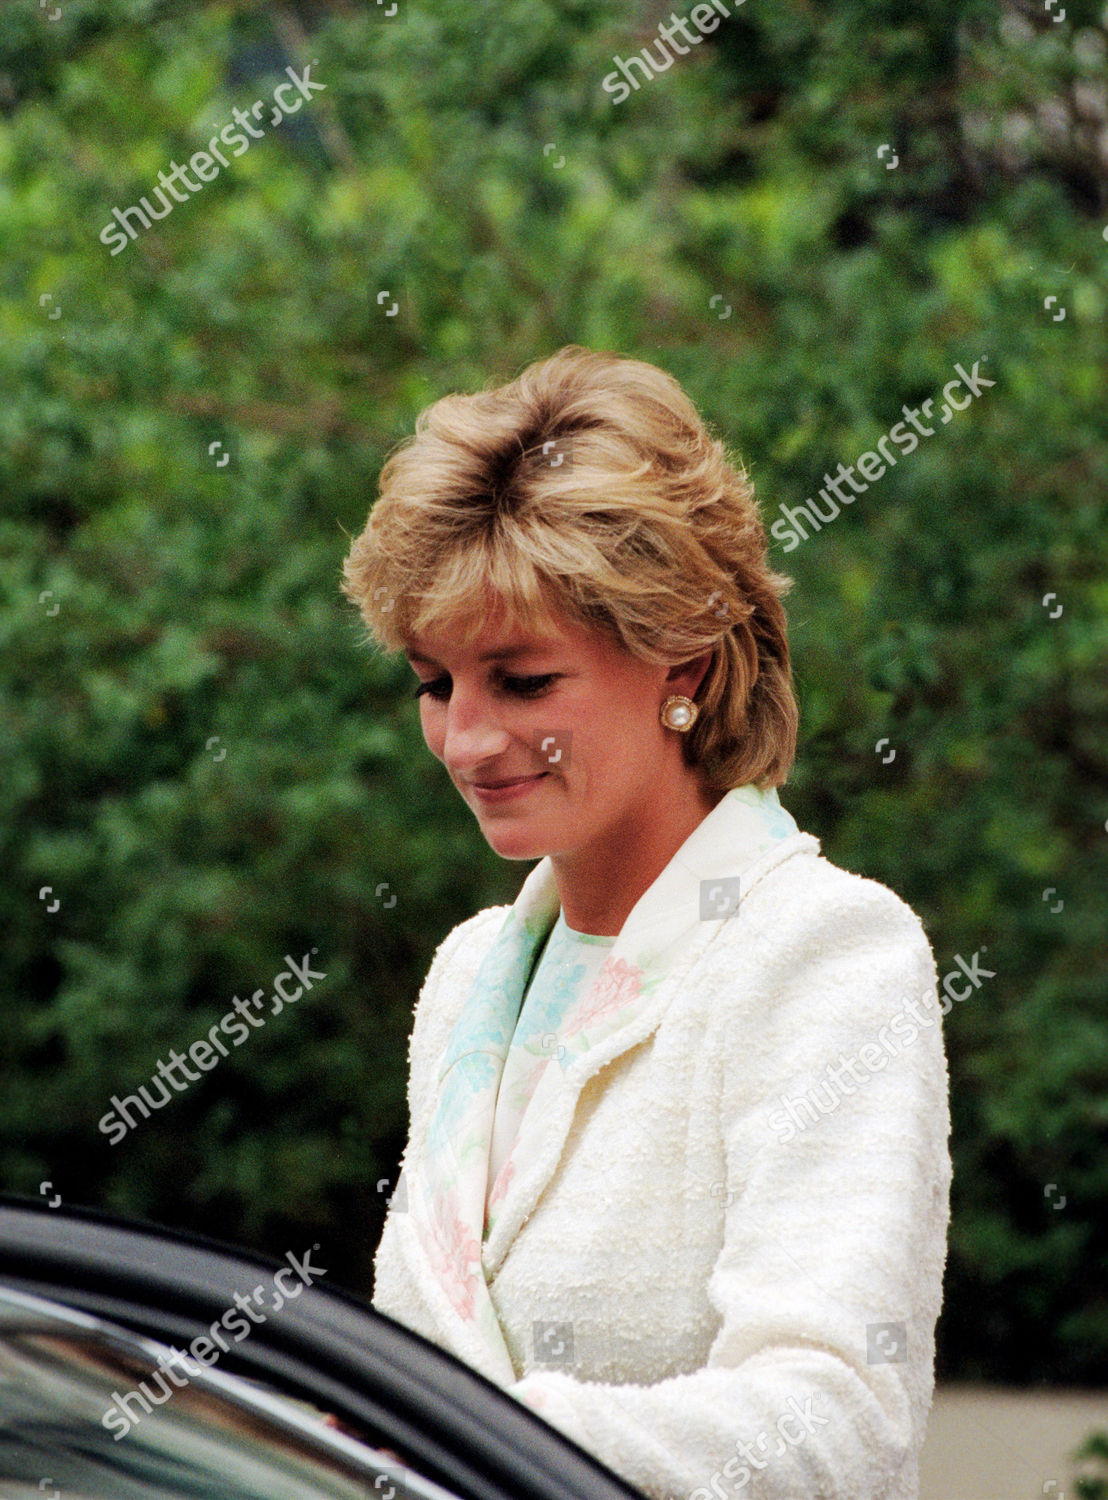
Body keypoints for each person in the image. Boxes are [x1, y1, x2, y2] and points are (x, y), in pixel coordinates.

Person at [341, 345, 952, 1500]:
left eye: (521, 682)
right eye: (434, 682)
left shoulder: (822, 954)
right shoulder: (471, 974)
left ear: (683, 656)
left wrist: (456, 1440)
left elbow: (836, 1422)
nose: (466, 740)